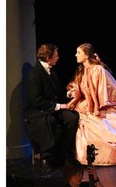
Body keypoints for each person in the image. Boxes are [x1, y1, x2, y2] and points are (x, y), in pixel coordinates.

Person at [24, 44, 80, 172]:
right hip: (38, 111)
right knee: (51, 122)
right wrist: (60, 106)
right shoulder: (35, 74)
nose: (58, 58)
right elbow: (36, 101)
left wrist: (68, 94)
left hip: (51, 108)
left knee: (72, 117)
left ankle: (62, 154)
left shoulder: (52, 70)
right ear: (48, 58)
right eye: (56, 56)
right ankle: (46, 157)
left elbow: (56, 91)